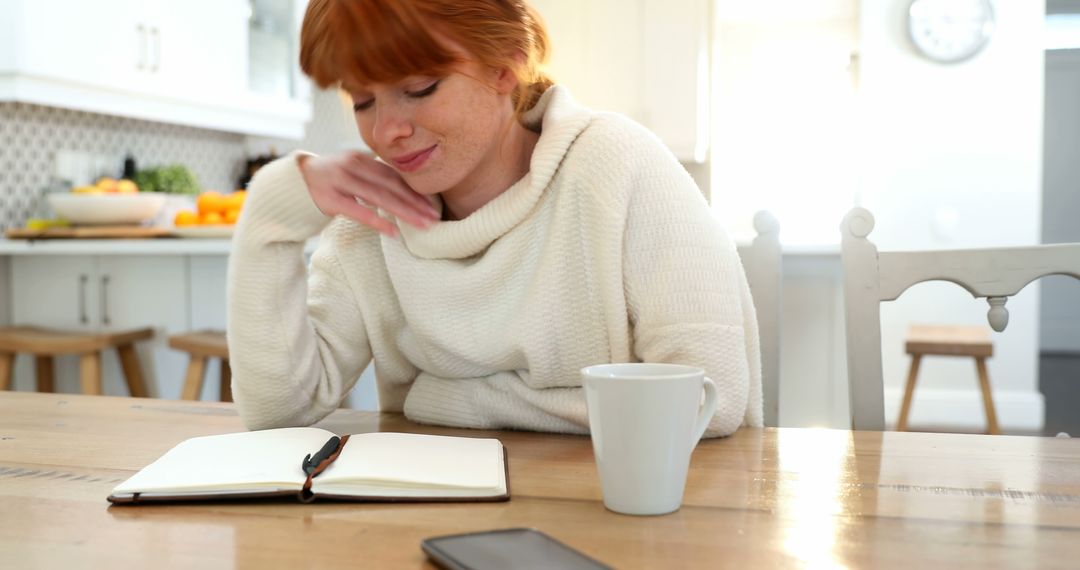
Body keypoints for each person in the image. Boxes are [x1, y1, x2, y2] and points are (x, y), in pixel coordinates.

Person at [228, 0, 762, 437]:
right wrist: (272, 214)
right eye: (363, 101)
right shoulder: (370, 224)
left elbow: (706, 398)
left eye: (419, 89)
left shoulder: (617, 165)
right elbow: (279, 413)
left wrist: (446, 397)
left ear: (505, 66)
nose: (386, 131)